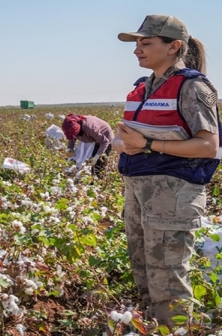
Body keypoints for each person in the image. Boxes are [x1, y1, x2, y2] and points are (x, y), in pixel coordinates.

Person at [113, 15, 220, 326]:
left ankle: (177, 330)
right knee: (144, 269)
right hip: (138, 190)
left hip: (172, 195)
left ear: (174, 47)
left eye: (146, 43)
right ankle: (153, 327)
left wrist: (147, 144)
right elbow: (129, 136)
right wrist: (124, 143)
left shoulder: (193, 87)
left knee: (168, 279)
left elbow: (207, 146)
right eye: (136, 44)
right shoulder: (142, 88)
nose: (137, 50)